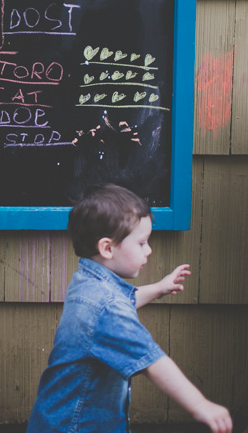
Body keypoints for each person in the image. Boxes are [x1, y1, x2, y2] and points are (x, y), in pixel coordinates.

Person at [26, 183, 233, 433]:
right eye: (142, 243)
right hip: (77, 426)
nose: (149, 250)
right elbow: (152, 360)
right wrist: (200, 405)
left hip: (58, 419)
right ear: (108, 248)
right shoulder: (107, 306)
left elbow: (120, 302)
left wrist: (158, 288)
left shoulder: (87, 282)